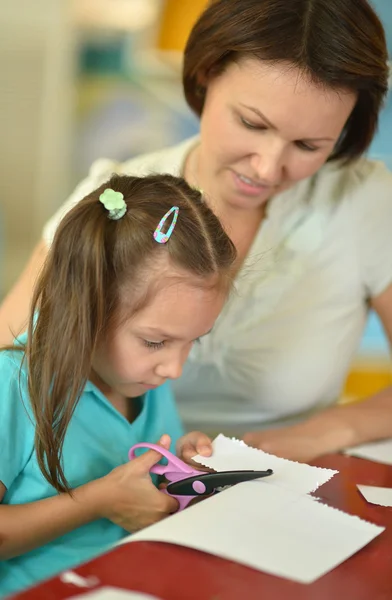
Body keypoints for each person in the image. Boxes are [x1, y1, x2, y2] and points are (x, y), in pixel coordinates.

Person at [1, 0, 392, 463]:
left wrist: (325, 430)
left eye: (309, 146)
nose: (267, 168)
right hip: (116, 486)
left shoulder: (366, 202)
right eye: (251, 123)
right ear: (205, 74)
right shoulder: (113, 203)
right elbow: (10, 355)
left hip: (286, 478)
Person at [0, 173, 236, 597]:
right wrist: (98, 501)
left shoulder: (142, 375)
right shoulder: (12, 383)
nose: (174, 369)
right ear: (85, 305)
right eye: (155, 341)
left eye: (192, 341)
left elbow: (145, 480)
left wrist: (178, 465)